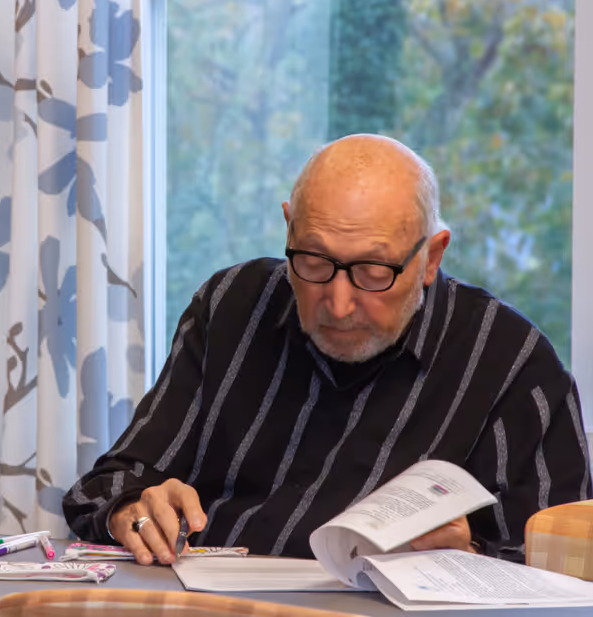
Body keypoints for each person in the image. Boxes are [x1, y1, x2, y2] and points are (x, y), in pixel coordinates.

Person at [62, 134, 591, 566]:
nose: (338, 304)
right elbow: (107, 484)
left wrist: (467, 554)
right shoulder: (231, 308)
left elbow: (560, 569)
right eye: (313, 262)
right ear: (288, 227)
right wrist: (132, 511)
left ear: (430, 258)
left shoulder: (513, 366)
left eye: (373, 272)